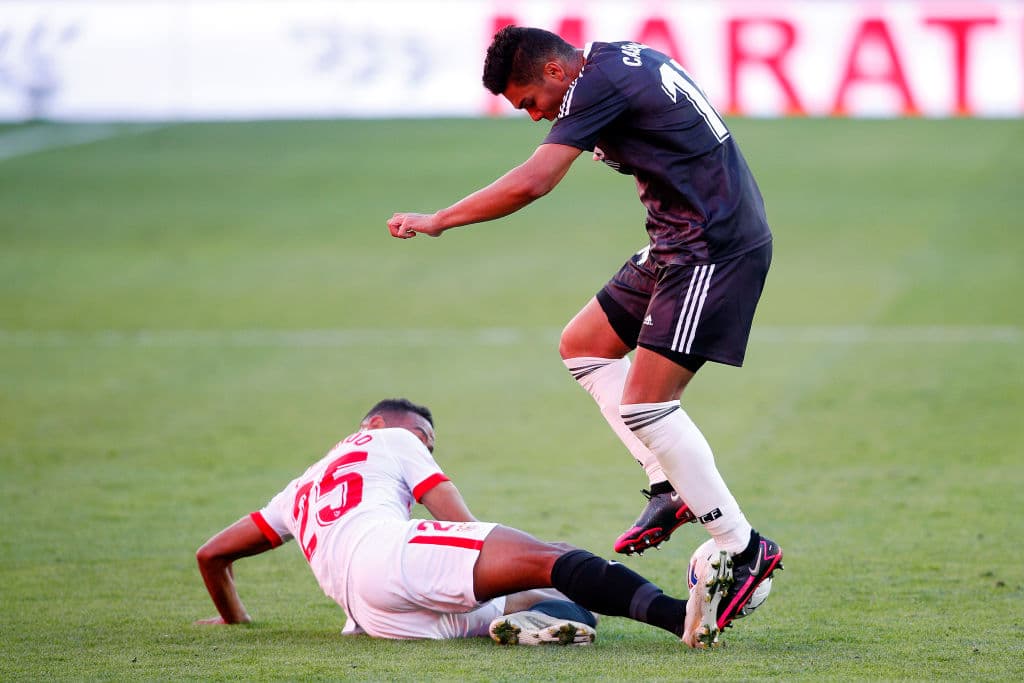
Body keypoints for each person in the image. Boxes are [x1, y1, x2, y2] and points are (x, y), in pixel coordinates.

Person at [386, 26, 783, 645]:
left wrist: (440, 219)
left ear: (552, 72)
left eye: (528, 102)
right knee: (584, 344)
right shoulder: (614, 62)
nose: (533, 116)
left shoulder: (593, 84)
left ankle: (741, 544)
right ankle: (667, 485)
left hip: (712, 249)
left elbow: (533, 181)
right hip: (677, 242)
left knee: (648, 403)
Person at [195, 398, 710, 646]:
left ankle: (540, 625)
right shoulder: (390, 440)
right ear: (372, 424)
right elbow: (460, 524)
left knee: (539, 600)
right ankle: (680, 616)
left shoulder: (298, 488)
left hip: (374, 619)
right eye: (422, 435)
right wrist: (507, 556)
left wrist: (233, 618)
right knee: (549, 556)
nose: (425, 446)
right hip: (387, 557)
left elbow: (212, 554)